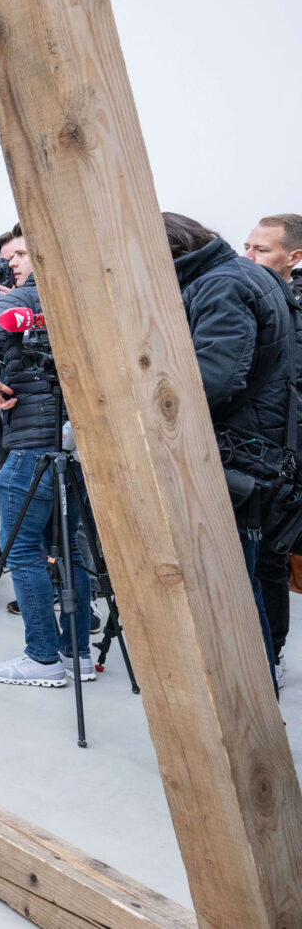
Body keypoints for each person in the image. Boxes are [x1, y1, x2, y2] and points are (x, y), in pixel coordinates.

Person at [168, 211, 296, 694]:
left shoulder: (220, 284)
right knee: (246, 581)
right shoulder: (245, 275)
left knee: (233, 590)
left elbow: (214, 379)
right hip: (258, 445)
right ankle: (259, 687)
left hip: (235, 452)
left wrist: (150, 407)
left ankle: (254, 698)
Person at [0, 256, 98, 687]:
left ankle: (42, 658)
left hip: (32, 446)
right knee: (68, 548)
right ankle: (77, 654)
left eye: (18, 255)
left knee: (22, 552)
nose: (11, 264)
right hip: (75, 445)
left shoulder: (31, 295)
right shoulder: (88, 293)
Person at [241, 213, 302, 686]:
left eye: (261, 250)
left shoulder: (292, 306)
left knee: (269, 559)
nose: (248, 256)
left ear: (294, 256)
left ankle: (272, 655)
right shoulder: (252, 298)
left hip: (287, 454)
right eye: (247, 246)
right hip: (258, 446)